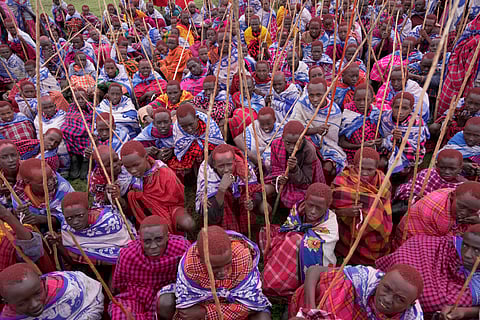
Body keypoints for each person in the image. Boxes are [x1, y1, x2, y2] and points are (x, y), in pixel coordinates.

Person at [156, 226, 272, 320]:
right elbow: (187, 311)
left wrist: (205, 313)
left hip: (233, 305)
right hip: (205, 302)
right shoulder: (191, 265)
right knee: (165, 303)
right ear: (201, 260)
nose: (223, 273)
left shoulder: (241, 256)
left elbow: (251, 305)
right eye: (215, 268)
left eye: (227, 264)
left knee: (263, 317)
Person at [378, 225, 480, 318]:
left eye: (477, 250)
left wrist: (466, 312)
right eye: (465, 245)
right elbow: (418, 243)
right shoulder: (449, 246)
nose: (466, 254)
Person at [262, 183, 338, 299]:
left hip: (314, 257)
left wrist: (298, 240)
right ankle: (272, 276)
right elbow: (288, 227)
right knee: (267, 233)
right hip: (291, 243)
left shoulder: (331, 222)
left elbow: (322, 247)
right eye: (310, 205)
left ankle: (279, 283)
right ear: (305, 200)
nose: (313, 211)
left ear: (327, 206)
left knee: (294, 242)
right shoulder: (298, 208)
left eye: (319, 208)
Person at [110, 215, 189, 320]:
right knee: (122, 314)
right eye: (147, 241)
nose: (153, 246)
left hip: (167, 296)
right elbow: (119, 286)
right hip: (136, 296)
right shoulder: (128, 254)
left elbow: (190, 278)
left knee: (167, 302)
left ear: (167, 236)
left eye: (159, 239)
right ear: (140, 239)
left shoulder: (182, 248)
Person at [289, 264, 424, 319]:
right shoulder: (364, 277)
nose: (388, 299)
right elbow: (314, 270)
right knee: (335, 282)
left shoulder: (413, 317)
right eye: (386, 289)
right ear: (380, 281)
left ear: (410, 305)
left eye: (399, 299)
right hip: (339, 312)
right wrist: (312, 311)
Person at [331, 147, 392, 265]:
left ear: (377, 168)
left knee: (375, 207)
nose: (364, 173)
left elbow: (386, 210)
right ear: (354, 166)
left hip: (373, 228)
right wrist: (344, 212)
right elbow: (332, 203)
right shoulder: (343, 178)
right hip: (347, 227)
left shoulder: (384, 182)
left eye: (370, 170)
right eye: (360, 168)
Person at [121, 140, 195, 234]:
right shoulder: (126, 178)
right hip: (146, 213)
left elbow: (179, 200)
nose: (133, 170)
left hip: (171, 209)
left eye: (136, 165)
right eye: (128, 167)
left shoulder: (164, 174)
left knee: (188, 223)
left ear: (146, 158)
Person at [46, 192, 134, 266]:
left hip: (118, 264)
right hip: (89, 266)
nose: (75, 222)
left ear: (89, 210)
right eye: (69, 218)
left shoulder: (109, 222)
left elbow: (127, 247)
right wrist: (58, 244)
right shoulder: (66, 227)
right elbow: (71, 260)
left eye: (80, 216)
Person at [196, 144, 264, 234]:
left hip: (239, 205)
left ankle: (244, 228)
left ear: (234, 162)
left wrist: (252, 202)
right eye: (221, 166)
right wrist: (221, 190)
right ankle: (228, 231)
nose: (226, 170)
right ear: (215, 165)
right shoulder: (207, 172)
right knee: (222, 199)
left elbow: (257, 191)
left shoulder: (243, 166)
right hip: (220, 211)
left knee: (246, 192)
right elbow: (212, 216)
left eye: (229, 165)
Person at [394, 181, 480, 249]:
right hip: (410, 245)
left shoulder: (458, 196)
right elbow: (443, 244)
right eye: (462, 207)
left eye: (471, 211)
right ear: (452, 196)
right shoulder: (438, 213)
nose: (464, 213)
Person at [0, 263, 104, 319]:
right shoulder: (9, 317)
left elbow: (94, 299)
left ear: (42, 281)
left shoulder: (71, 288)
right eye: (22, 303)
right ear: (7, 303)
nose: (34, 304)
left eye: (37, 293)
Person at [292, 77, 347, 175]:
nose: (315, 99)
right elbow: (295, 128)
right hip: (305, 143)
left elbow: (331, 139)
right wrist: (315, 130)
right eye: (311, 95)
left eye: (319, 95)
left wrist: (322, 132)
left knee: (329, 168)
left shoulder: (333, 111)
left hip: (327, 146)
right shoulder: (302, 104)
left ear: (326, 93)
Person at [265, 120, 325, 209]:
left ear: (303, 139)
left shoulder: (309, 151)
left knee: (303, 201)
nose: (292, 147)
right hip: (283, 179)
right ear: (283, 138)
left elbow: (306, 182)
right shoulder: (276, 145)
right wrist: (279, 178)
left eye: (297, 143)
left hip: (301, 185)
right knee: (264, 189)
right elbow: (275, 168)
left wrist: (294, 169)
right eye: (288, 143)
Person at [13, 159, 74, 228]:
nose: (50, 182)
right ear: (27, 182)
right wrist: (21, 213)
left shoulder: (63, 188)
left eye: (51, 177)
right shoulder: (18, 192)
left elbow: (73, 216)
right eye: (43, 181)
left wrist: (44, 219)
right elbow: (19, 216)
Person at [379, 92, 429, 174]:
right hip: (387, 149)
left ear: (411, 109)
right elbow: (382, 137)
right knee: (381, 163)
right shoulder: (385, 118)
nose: (400, 112)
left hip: (408, 153)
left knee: (402, 170)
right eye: (397, 107)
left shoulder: (417, 124)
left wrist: (400, 140)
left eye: (405, 108)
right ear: (391, 106)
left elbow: (415, 148)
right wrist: (389, 144)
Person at [394, 149, 466, 205]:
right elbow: (406, 188)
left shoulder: (462, 186)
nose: (447, 172)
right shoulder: (427, 174)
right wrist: (413, 199)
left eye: (452, 169)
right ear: (436, 166)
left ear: (460, 169)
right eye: (442, 168)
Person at [169, 103, 224, 172]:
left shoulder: (208, 124)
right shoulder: (178, 130)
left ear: (197, 118)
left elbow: (217, 142)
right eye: (184, 126)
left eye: (191, 124)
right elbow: (181, 149)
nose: (189, 129)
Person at [339, 84, 382, 164]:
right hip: (352, 154)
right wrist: (361, 146)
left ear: (372, 100)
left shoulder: (376, 114)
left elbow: (382, 136)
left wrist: (380, 142)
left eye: (366, 100)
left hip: (373, 154)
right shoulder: (348, 115)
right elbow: (341, 142)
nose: (362, 103)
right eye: (358, 100)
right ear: (353, 99)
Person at [233, 107, 283, 171]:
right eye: (262, 124)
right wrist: (250, 154)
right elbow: (237, 139)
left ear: (274, 120)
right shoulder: (254, 126)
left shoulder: (280, 130)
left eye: (268, 124)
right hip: (253, 162)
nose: (266, 127)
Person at [61, 89, 93, 180]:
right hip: (72, 137)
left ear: (87, 98)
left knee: (91, 134)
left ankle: (85, 160)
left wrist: (86, 129)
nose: (80, 101)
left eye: (83, 98)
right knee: (64, 131)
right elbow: (68, 122)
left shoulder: (91, 107)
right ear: (72, 100)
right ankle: (74, 159)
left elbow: (94, 120)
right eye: (77, 99)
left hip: (86, 137)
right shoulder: (71, 108)